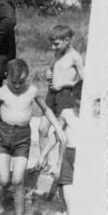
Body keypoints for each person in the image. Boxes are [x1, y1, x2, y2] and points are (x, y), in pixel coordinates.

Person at [0, 59, 66, 215]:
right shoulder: (2, 92)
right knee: (5, 180)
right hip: (3, 136)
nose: (18, 86)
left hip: (22, 137)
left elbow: (46, 110)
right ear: (7, 77)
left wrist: (59, 128)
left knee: (18, 180)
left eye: (21, 82)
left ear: (26, 77)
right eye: (14, 82)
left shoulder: (32, 91)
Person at [38, 24, 84, 167]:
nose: (53, 47)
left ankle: (59, 165)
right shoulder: (58, 52)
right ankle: (43, 163)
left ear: (67, 41)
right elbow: (57, 67)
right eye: (51, 44)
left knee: (60, 130)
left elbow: (83, 80)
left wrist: (64, 84)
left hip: (65, 94)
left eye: (56, 44)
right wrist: (49, 72)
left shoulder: (75, 57)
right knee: (42, 128)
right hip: (51, 93)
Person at [39, 91, 79, 215]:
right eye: (78, 104)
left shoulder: (96, 116)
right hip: (69, 156)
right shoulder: (67, 114)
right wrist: (43, 154)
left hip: (84, 158)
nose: (81, 108)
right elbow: (57, 135)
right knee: (67, 195)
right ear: (74, 100)